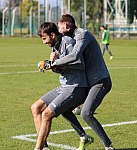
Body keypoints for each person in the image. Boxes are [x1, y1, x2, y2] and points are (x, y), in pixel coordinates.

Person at [49, 14, 115, 150]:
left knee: (86, 113)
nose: (58, 31)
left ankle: (108, 146)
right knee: (64, 108)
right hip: (88, 84)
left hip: (100, 81)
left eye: (60, 27)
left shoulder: (82, 34)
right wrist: (56, 62)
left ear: (66, 26)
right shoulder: (70, 39)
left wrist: (54, 62)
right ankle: (84, 137)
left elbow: (75, 56)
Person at [31, 22, 93, 150]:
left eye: (44, 38)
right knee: (36, 107)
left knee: (47, 114)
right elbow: (60, 69)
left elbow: (79, 63)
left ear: (52, 34)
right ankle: (45, 147)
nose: (43, 42)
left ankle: (38, 148)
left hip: (76, 86)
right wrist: (51, 65)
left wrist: (57, 61)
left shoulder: (68, 41)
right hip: (64, 86)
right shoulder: (53, 45)